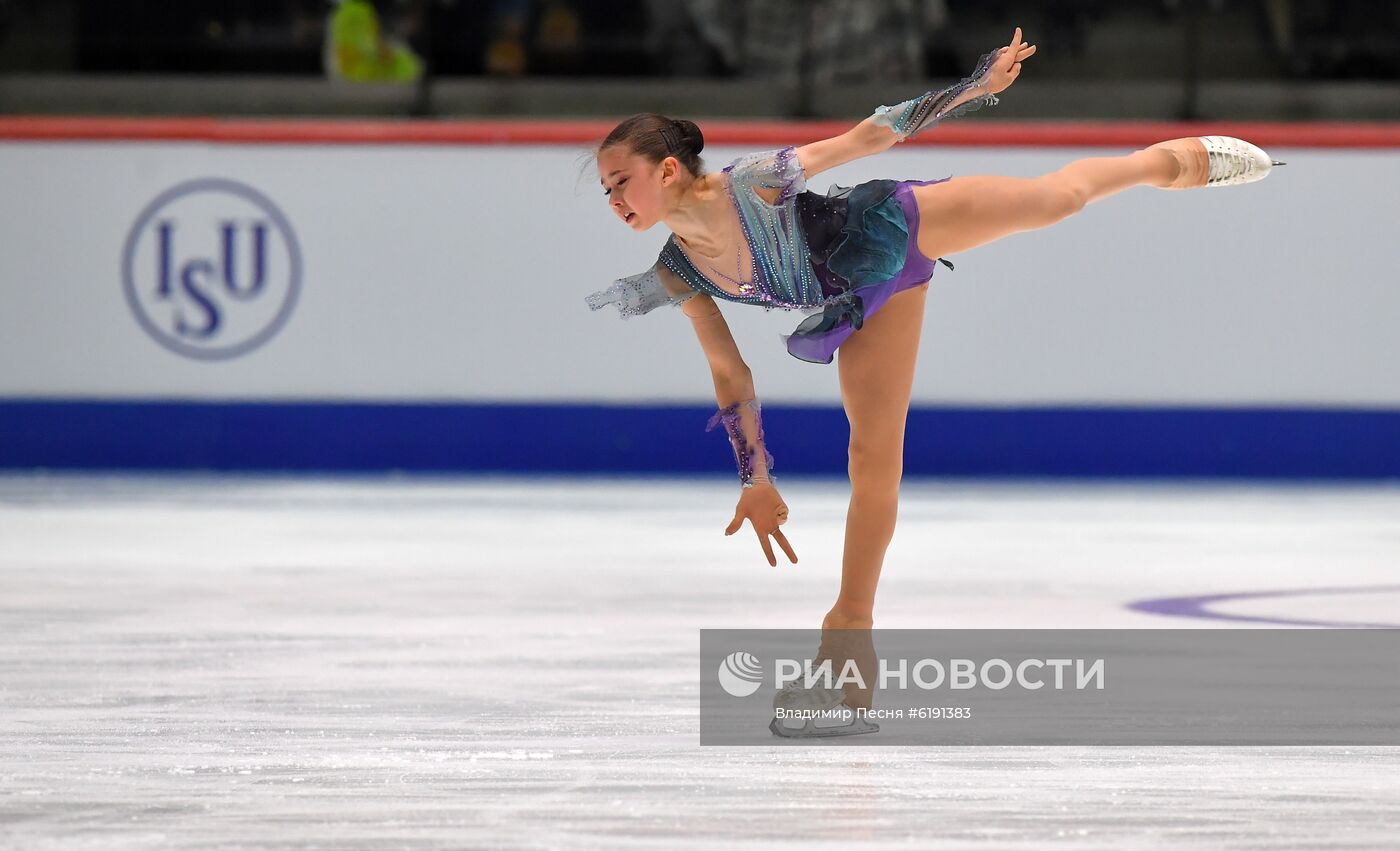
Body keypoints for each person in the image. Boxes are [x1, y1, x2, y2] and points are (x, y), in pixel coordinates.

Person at [586, 28, 1282, 649]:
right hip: (856, 298)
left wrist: (973, 88)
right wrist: (754, 476)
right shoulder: (676, 271)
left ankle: (1166, 162)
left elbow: (869, 135)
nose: (616, 201)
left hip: (895, 223)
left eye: (622, 182)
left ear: (668, 170)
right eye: (607, 192)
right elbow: (730, 375)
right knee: (874, 454)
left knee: (1056, 201)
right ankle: (849, 636)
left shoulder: (753, 183)